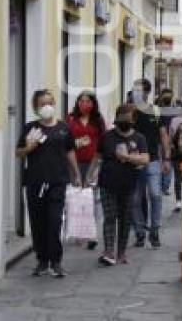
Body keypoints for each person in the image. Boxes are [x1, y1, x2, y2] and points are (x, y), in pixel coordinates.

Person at [15, 89, 80, 278]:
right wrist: (29, 146)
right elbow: (18, 153)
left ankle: (56, 261)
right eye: (42, 103)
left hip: (57, 181)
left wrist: (76, 173)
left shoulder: (63, 128)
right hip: (35, 181)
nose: (47, 107)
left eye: (50, 102)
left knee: (54, 220)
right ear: (36, 107)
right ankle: (42, 260)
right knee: (38, 223)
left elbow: (70, 151)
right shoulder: (30, 128)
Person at [89, 104, 149, 266]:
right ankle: (109, 251)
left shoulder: (139, 138)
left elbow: (145, 159)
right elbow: (97, 157)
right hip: (107, 183)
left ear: (133, 120)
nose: (125, 120)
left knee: (125, 219)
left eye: (128, 117)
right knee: (110, 217)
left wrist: (126, 157)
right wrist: (90, 175)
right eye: (122, 117)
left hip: (129, 185)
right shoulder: (107, 137)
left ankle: (121, 252)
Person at [130, 79, 170, 249]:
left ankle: (154, 229)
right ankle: (140, 231)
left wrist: (166, 158)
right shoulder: (129, 111)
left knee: (155, 194)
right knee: (135, 198)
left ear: (147, 93)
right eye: (134, 90)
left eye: (140, 90)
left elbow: (163, 135)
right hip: (133, 161)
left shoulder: (155, 111)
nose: (136, 93)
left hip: (152, 160)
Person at [65, 90, 106, 251]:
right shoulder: (70, 119)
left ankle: (91, 233)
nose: (84, 104)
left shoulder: (98, 120)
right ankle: (77, 230)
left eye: (88, 101)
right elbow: (65, 141)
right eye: (81, 101)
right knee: (76, 195)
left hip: (93, 162)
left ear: (93, 104)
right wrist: (77, 143)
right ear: (77, 103)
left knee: (91, 197)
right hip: (73, 162)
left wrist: (98, 166)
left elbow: (103, 141)